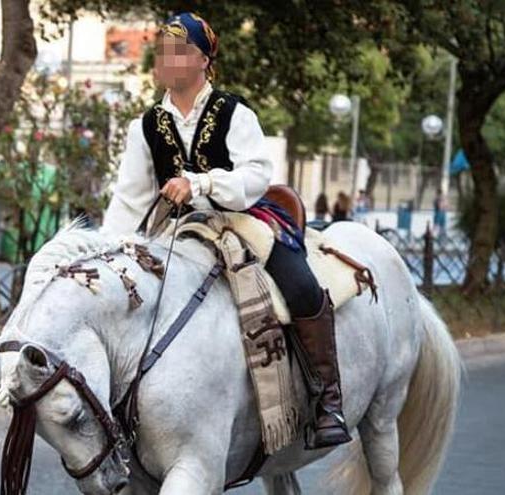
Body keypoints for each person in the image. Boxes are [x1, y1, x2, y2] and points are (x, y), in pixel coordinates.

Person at [100, 12, 351, 449]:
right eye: (162, 50)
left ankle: (327, 399)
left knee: (301, 285)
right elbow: (130, 199)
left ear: (202, 59)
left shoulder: (234, 113)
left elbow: (256, 175)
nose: (165, 58)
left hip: (237, 221)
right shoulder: (144, 126)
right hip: (175, 232)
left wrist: (201, 183)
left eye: (177, 50)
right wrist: (108, 251)